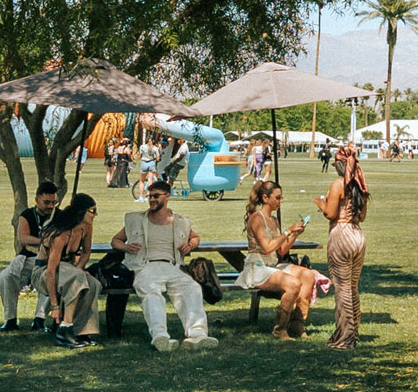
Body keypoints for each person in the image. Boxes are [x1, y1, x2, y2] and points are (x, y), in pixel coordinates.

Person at [110, 179, 218, 352]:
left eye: (155, 196)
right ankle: (160, 336)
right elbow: (115, 240)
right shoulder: (136, 219)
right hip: (145, 267)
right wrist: (125, 246)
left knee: (192, 289)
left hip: (173, 266)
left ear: (167, 196)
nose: (151, 199)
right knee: (151, 293)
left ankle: (197, 335)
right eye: (149, 196)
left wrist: (190, 245)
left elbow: (195, 237)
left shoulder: (180, 221)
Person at [236, 181, 318, 339]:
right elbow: (267, 247)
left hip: (273, 265)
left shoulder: (273, 220)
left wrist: (295, 233)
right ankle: (279, 329)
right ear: (265, 198)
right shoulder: (256, 219)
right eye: (278, 198)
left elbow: (281, 250)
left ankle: (297, 324)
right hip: (257, 267)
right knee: (293, 284)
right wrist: (288, 231)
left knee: (308, 276)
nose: (281, 201)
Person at [314, 144, 368, 350]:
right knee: (353, 287)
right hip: (357, 235)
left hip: (341, 234)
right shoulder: (361, 185)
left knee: (343, 288)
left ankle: (344, 337)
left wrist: (321, 203)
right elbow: (362, 216)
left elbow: (330, 213)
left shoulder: (338, 185)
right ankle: (353, 331)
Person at [31, 193, 101, 348]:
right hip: (43, 272)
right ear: (81, 212)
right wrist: (55, 306)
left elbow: (86, 252)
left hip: (67, 270)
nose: (96, 214)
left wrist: (78, 269)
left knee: (93, 284)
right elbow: (50, 271)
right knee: (77, 278)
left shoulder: (86, 227)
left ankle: (81, 331)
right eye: (93, 210)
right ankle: (65, 329)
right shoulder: (61, 234)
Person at [0, 180, 59, 332]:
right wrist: (44, 241)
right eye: (46, 202)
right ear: (37, 199)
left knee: (50, 277)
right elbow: (23, 238)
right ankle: (10, 320)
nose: (50, 206)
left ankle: (39, 320)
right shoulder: (26, 215)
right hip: (27, 258)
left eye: (53, 202)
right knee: (6, 277)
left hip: (47, 260)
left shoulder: (59, 216)